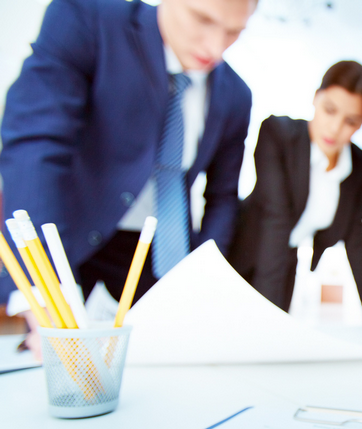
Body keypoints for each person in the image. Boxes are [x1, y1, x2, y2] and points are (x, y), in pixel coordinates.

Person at [0, 0, 256, 348]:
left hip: (166, 262)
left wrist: (204, 278)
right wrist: (46, 286)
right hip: (75, 252)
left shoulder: (236, 95)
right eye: (202, 19)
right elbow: (36, 146)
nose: (215, 47)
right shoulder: (86, 19)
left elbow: (222, 197)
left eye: (233, 31)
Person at [229, 61, 362, 323]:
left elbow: (355, 237)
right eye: (330, 110)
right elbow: (276, 222)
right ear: (316, 98)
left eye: (351, 121)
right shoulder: (278, 134)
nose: (335, 129)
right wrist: (266, 317)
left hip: (285, 264)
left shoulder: (358, 163)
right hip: (240, 260)